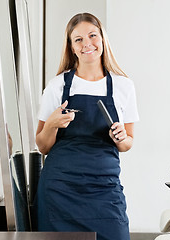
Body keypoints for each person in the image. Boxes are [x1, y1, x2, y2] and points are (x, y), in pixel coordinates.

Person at [35, 13, 139, 240]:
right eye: (78, 39)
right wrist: (52, 124)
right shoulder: (57, 86)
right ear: (72, 47)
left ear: (102, 39)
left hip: (104, 187)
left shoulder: (123, 86)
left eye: (92, 35)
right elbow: (43, 146)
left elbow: (128, 143)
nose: (87, 44)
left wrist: (122, 137)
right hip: (60, 188)